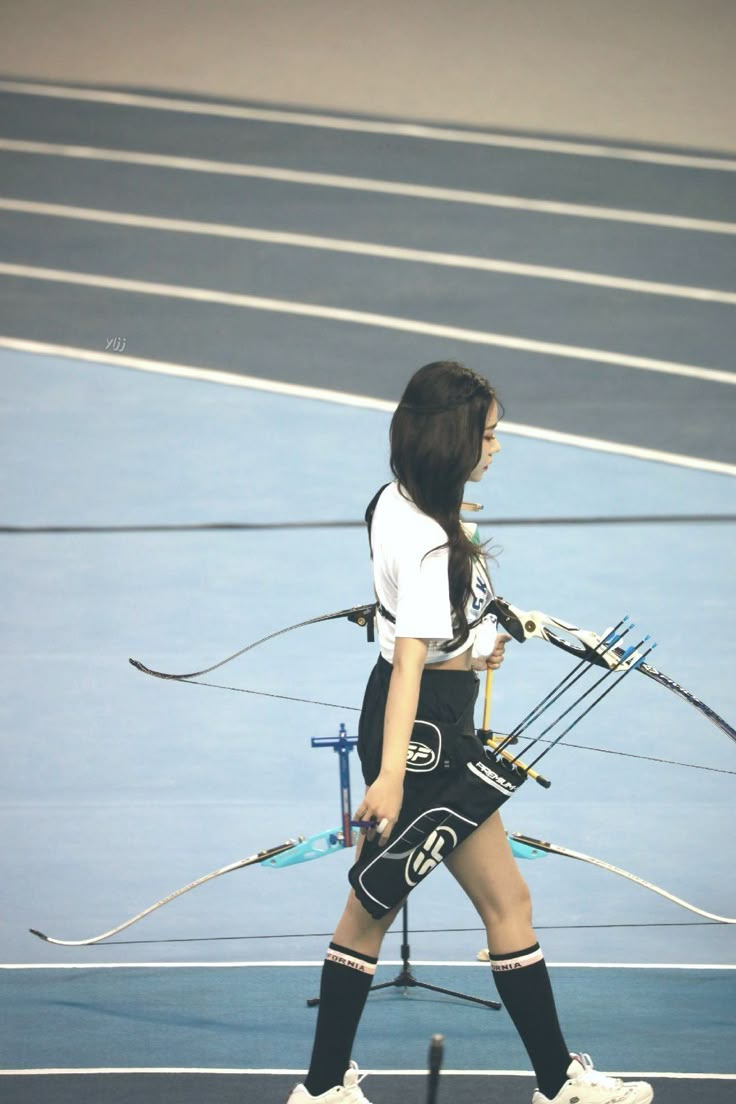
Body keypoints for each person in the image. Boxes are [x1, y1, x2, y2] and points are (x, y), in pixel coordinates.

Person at [286, 361, 653, 1104]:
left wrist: (477, 642)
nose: (495, 446)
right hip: (420, 735)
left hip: (431, 720)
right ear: (453, 441)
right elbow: (411, 662)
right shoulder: (428, 542)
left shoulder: (398, 500)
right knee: (380, 907)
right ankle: (328, 1088)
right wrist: (391, 774)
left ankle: (548, 1082)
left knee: (488, 904)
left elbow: (419, 631)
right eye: (486, 435)